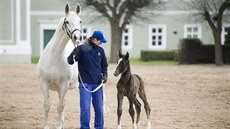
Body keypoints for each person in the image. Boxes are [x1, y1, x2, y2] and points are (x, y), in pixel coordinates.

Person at [67, 30, 108, 129]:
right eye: (100, 41)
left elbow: (104, 65)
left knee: (99, 109)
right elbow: (70, 61)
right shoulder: (82, 49)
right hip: (85, 85)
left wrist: (105, 74)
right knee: (85, 109)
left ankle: (99, 127)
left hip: (97, 85)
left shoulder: (101, 51)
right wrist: (73, 52)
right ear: (95, 39)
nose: (101, 43)